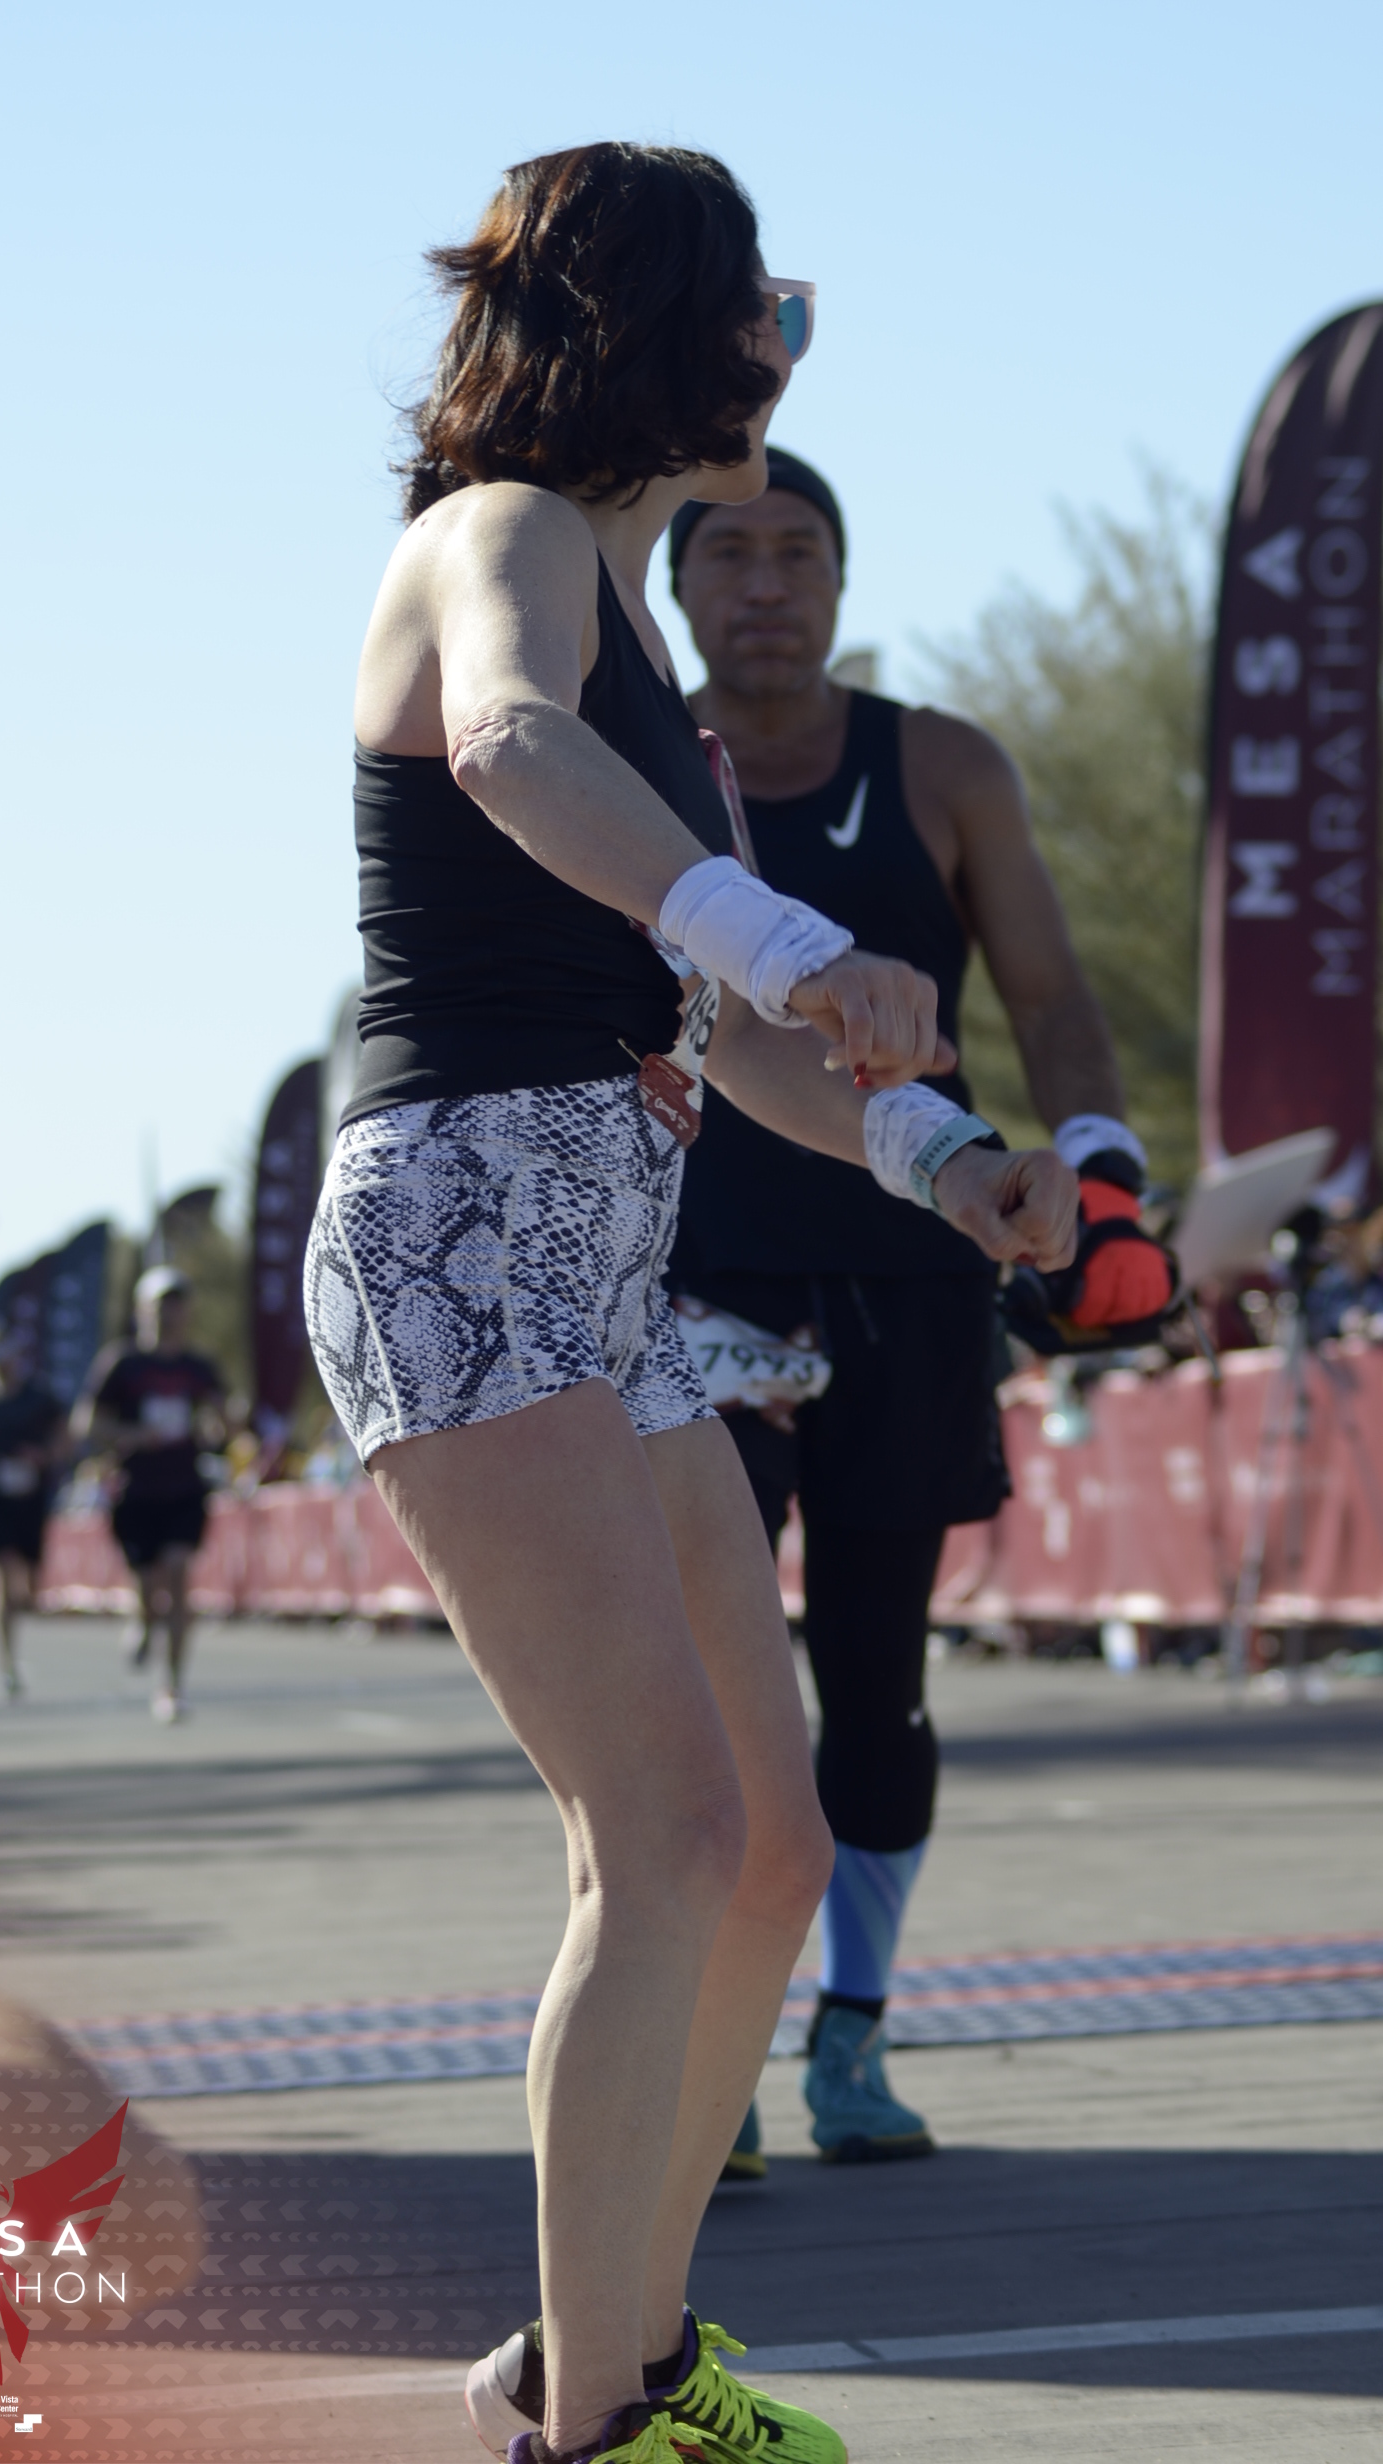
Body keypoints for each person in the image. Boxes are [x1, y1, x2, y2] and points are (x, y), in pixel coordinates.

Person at [302, 142, 1077, 2464]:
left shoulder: (647, 656)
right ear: (661, 325)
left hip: (608, 1249)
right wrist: (790, 935)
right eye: (772, 309)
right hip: (464, 1223)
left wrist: (946, 1160)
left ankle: (608, 2353)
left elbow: (728, 1037)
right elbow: (503, 747)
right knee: (648, 1834)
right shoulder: (507, 537)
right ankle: (598, 2426)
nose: (788, 352)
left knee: (764, 1840)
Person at [666, 447, 1175, 2171]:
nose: (764, 583)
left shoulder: (941, 764)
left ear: (840, 577)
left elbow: (1052, 996)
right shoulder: (640, 765)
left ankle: (853, 2036)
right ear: (675, 587)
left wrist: (1102, 1175)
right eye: (729, 552)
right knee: (708, 1687)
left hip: (913, 1266)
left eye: (797, 551)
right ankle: (713, 2047)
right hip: (698, 1275)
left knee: (871, 1680)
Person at [78, 1267, 225, 1723]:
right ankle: (142, 1620)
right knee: (148, 1587)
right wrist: (134, 1434)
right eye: (161, 1305)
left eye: (177, 1304)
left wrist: (217, 1426)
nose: (169, 1314)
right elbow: (87, 1425)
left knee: (179, 1576)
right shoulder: (122, 1364)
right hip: (136, 1491)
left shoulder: (198, 1368)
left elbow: (224, 1420)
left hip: (184, 1487)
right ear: (142, 1311)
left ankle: (173, 1686)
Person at [0, 1324, 67, 1699]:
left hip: (32, 1498)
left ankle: (26, 1598)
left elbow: (65, 1438)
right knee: (4, 1579)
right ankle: (6, 1665)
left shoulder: (39, 1398)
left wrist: (44, 1456)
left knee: (29, 1584)